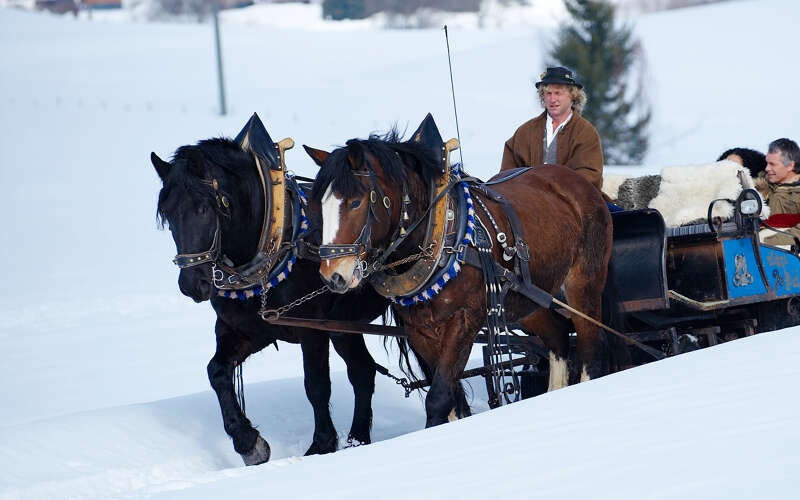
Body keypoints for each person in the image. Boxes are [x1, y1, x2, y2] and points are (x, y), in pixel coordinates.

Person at [500, 66, 604, 191]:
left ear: (572, 96)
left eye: (558, 93)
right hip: (528, 201)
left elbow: (590, 175)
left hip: (574, 202)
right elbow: (506, 173)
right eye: (548, 93)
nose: (552, 99)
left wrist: (556, 187)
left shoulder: (586, 132)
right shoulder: (525, 131)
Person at [756, 138, 800, 247]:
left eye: (772, 164)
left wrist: (766, 241)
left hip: (787, 257)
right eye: (767, 163)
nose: (766, 168)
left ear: (790, 165)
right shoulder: (756, 187)